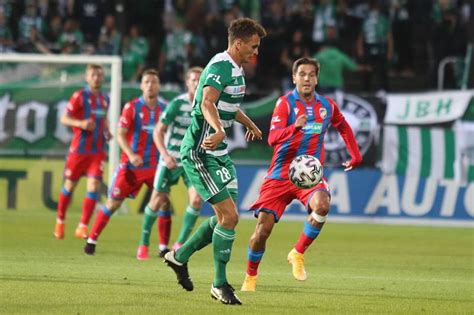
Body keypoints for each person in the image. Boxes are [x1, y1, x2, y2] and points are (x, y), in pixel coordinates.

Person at [163, 17, 266, 305]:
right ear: (238, 43)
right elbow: (206, 101)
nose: (256, 52)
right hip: (200, 152)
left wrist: (249, 122)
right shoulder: (221, 66)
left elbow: (227, 106)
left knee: (226, 218)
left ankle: (178, 257)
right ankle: (219, 284)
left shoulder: (236, 69)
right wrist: (220, 130)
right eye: (253, 46)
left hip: (219, 154)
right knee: (229, 217)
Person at [240, 57, 362, 292]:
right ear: (294, 78)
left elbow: (344, 126)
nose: (306, 78)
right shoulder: (285, 104)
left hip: (309, 175)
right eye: (302, 74)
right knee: (262, 232)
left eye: (311, 74)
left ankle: (297, 253)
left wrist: (355, 154)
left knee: (323, 204)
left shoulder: (326, 106)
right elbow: (272, 138)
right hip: (280, 174)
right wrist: (294, 127)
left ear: (317, 78)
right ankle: (250, 277)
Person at [84, 69, 165, 255]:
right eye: (147, 82)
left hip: (154, 166)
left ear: (159, 85)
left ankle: (162, 247)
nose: (150, 85)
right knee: (113, 203)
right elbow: (120, 135)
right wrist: (130, 154)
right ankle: (91, 240)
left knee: (163, 201)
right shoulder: (132, 107)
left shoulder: (164, 109)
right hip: (131, 167)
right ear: (141, 85)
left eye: (154, 82)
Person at [136, 67, 204, 260]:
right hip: (170, 160)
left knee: (197, 200)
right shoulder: (177, 104)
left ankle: (180, 244)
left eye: (200, 80)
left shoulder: (207, 105)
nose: (196, 83)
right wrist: (165, 155)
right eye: (193, 80)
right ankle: (143, 244)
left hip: (190, 162)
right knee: (156, 201)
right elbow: (158, 131)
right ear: (187, 83)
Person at [54, 64, 111, 240]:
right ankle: (60, 221)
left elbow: (103, 117)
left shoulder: (104, 98)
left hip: (97, 151)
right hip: (78, 151)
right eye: (93, 75)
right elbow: (64, 118)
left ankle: (82, 226)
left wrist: (107, 130)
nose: (97, 78)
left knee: (94, 186)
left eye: (99, 75)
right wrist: (81, 124)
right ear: (87, 77)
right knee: (70, 186)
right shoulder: (79, 96)